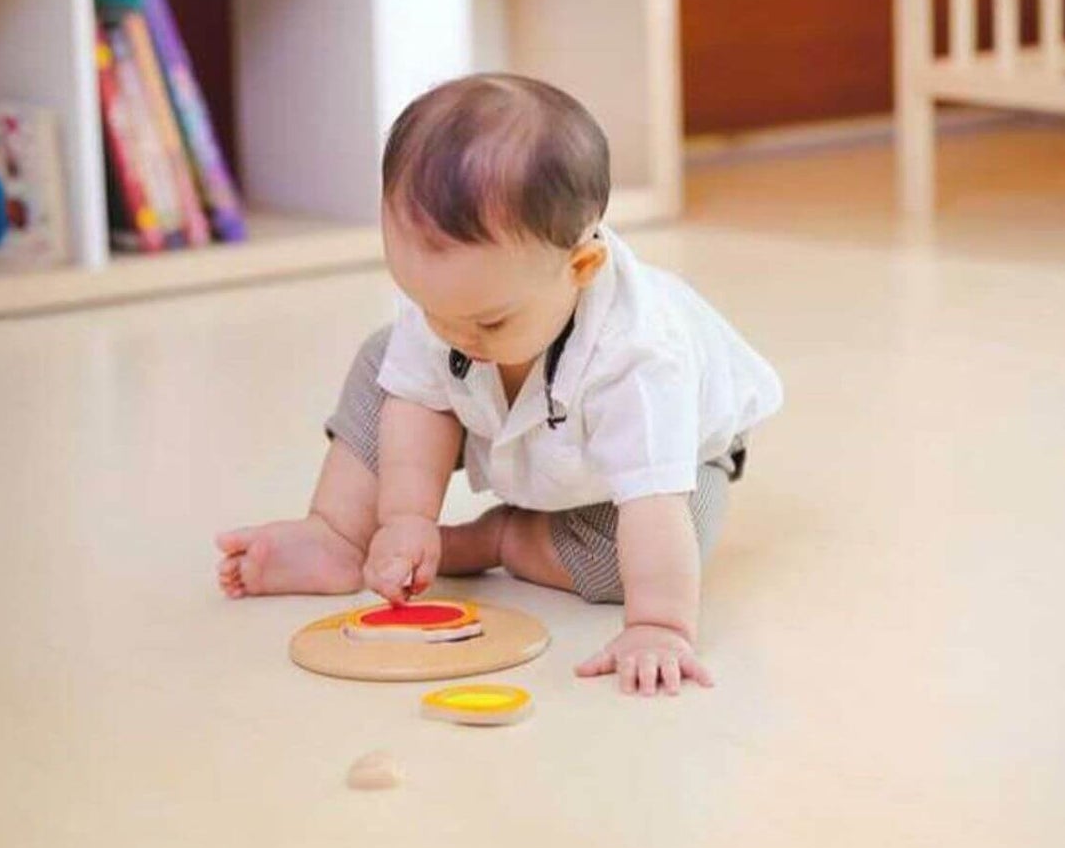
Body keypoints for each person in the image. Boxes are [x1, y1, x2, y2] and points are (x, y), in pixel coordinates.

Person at [216, 74, 783, 696]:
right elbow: (416, 400)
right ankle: (339, 533)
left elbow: (652, 510)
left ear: (582, 267)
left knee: (645, 554)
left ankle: (495, 539)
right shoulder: (454, 314)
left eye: (487, 319)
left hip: (664, 471)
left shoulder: (640, 361)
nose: (454, 334)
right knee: (384, 361)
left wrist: (658, 626)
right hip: (505, 415)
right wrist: (404, 518)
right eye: (427, 306)